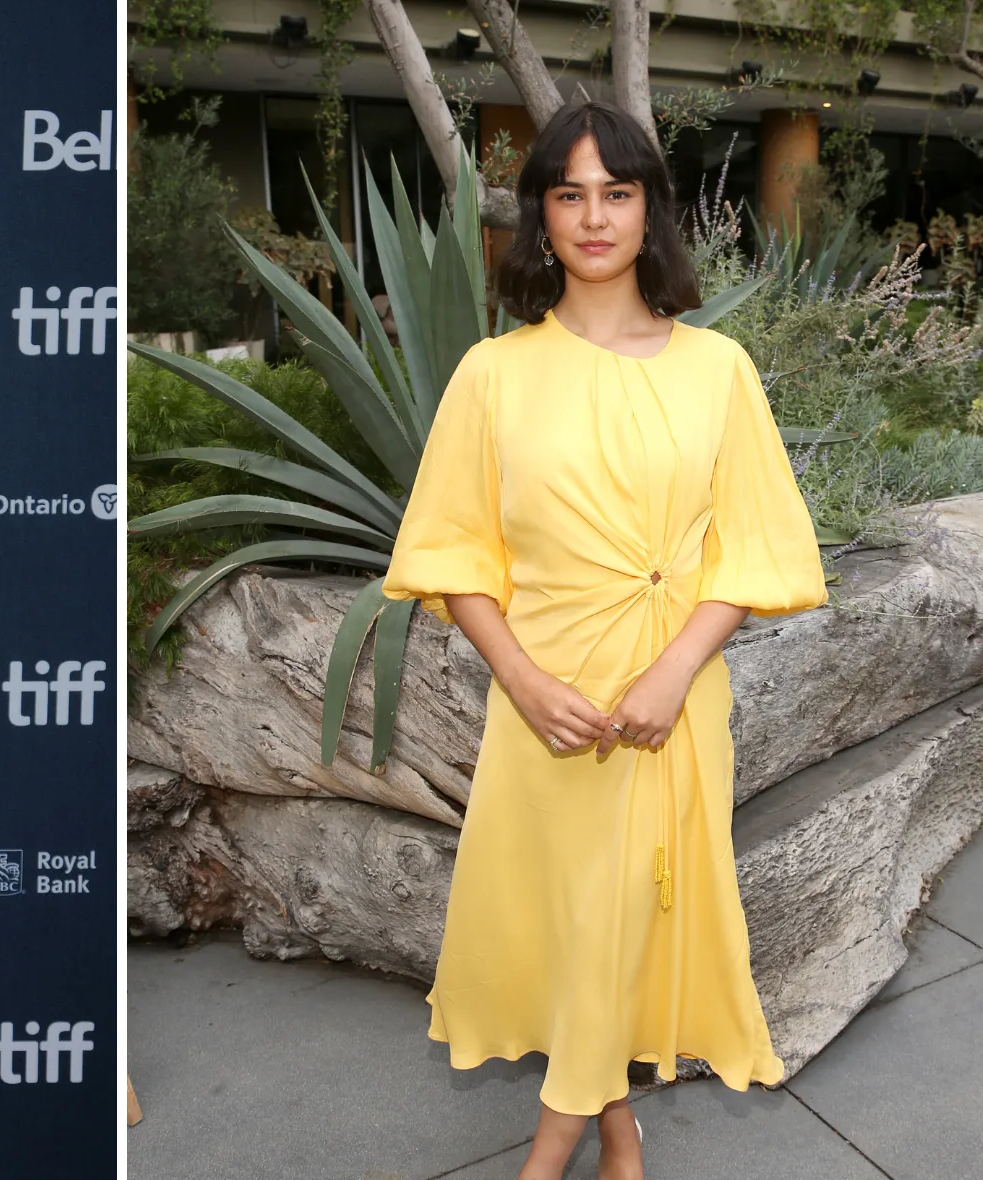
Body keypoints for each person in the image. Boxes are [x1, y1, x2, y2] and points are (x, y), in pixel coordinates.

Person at [381, 100, 827, 1180]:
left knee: (628, 909)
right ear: (541, 216)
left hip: (669, 700)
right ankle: (619, 1136)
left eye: (616, 193)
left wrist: (676, 669)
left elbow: (757, 546)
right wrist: (524, 683)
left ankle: (547, 1157)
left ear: (649, 213)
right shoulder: (494, 374)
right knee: (576, 926)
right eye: (569, 193)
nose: (594, 216)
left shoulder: (718, 368)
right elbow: (451, 551)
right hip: (545, 705)